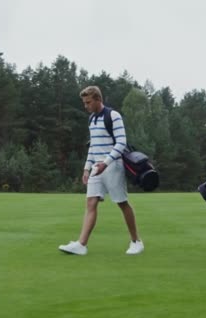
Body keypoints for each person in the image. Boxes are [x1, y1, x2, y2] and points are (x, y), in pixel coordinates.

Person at [58, 86, 144, 256]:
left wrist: (106, 163)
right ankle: (81, 245)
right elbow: (93, 146)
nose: (86, 106)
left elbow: (121, 143)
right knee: (90, 203)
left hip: (113, 165)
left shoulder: (113, 116)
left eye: (88, 102)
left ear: (98, 99)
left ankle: (136, 241)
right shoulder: (91, 119)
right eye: (84, 103)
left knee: (121, 202)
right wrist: (86, 168)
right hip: (96, 167)